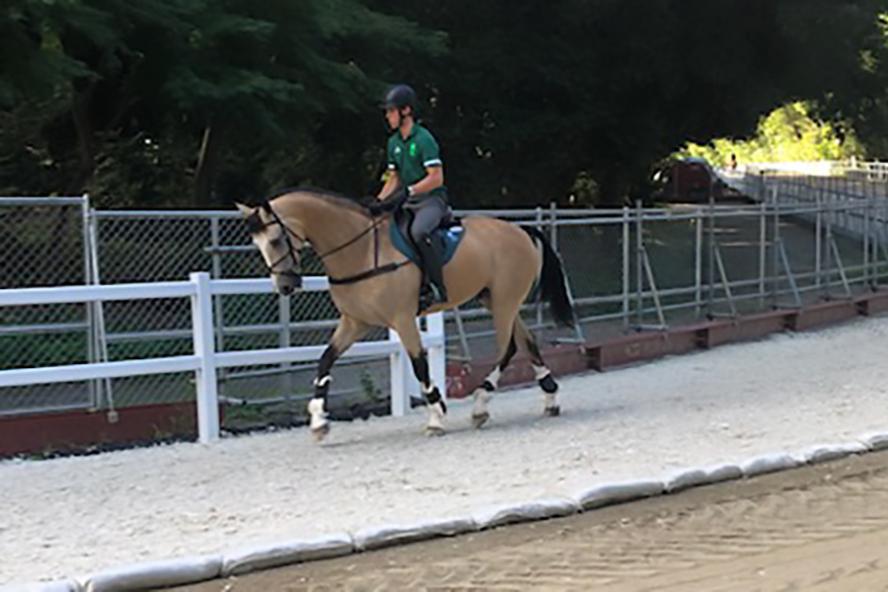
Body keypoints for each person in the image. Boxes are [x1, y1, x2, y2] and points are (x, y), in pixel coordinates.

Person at [370, 83, 450, 311]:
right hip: (409, 201)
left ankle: (436, 287)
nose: (387, 116)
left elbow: (436, 178)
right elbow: (393, 178)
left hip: (432, 200)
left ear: (405, 111)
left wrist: (410, 191)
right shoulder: (393, 143)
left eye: (391, 111)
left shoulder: (424, 139)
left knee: (419, 232)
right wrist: (377, 202)